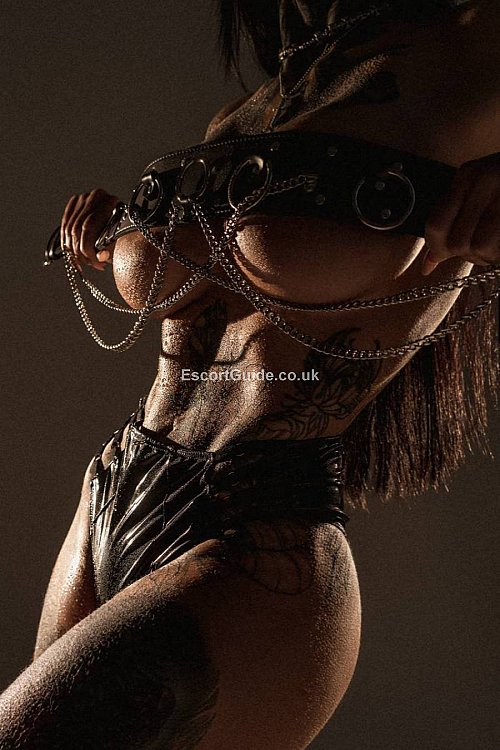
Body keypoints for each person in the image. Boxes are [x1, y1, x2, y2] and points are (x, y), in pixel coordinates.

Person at [0, 1, 498, 747]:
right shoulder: (261, 104)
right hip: (114, 486)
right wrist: (119, 233)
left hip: (257, 535)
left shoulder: (474, 43)